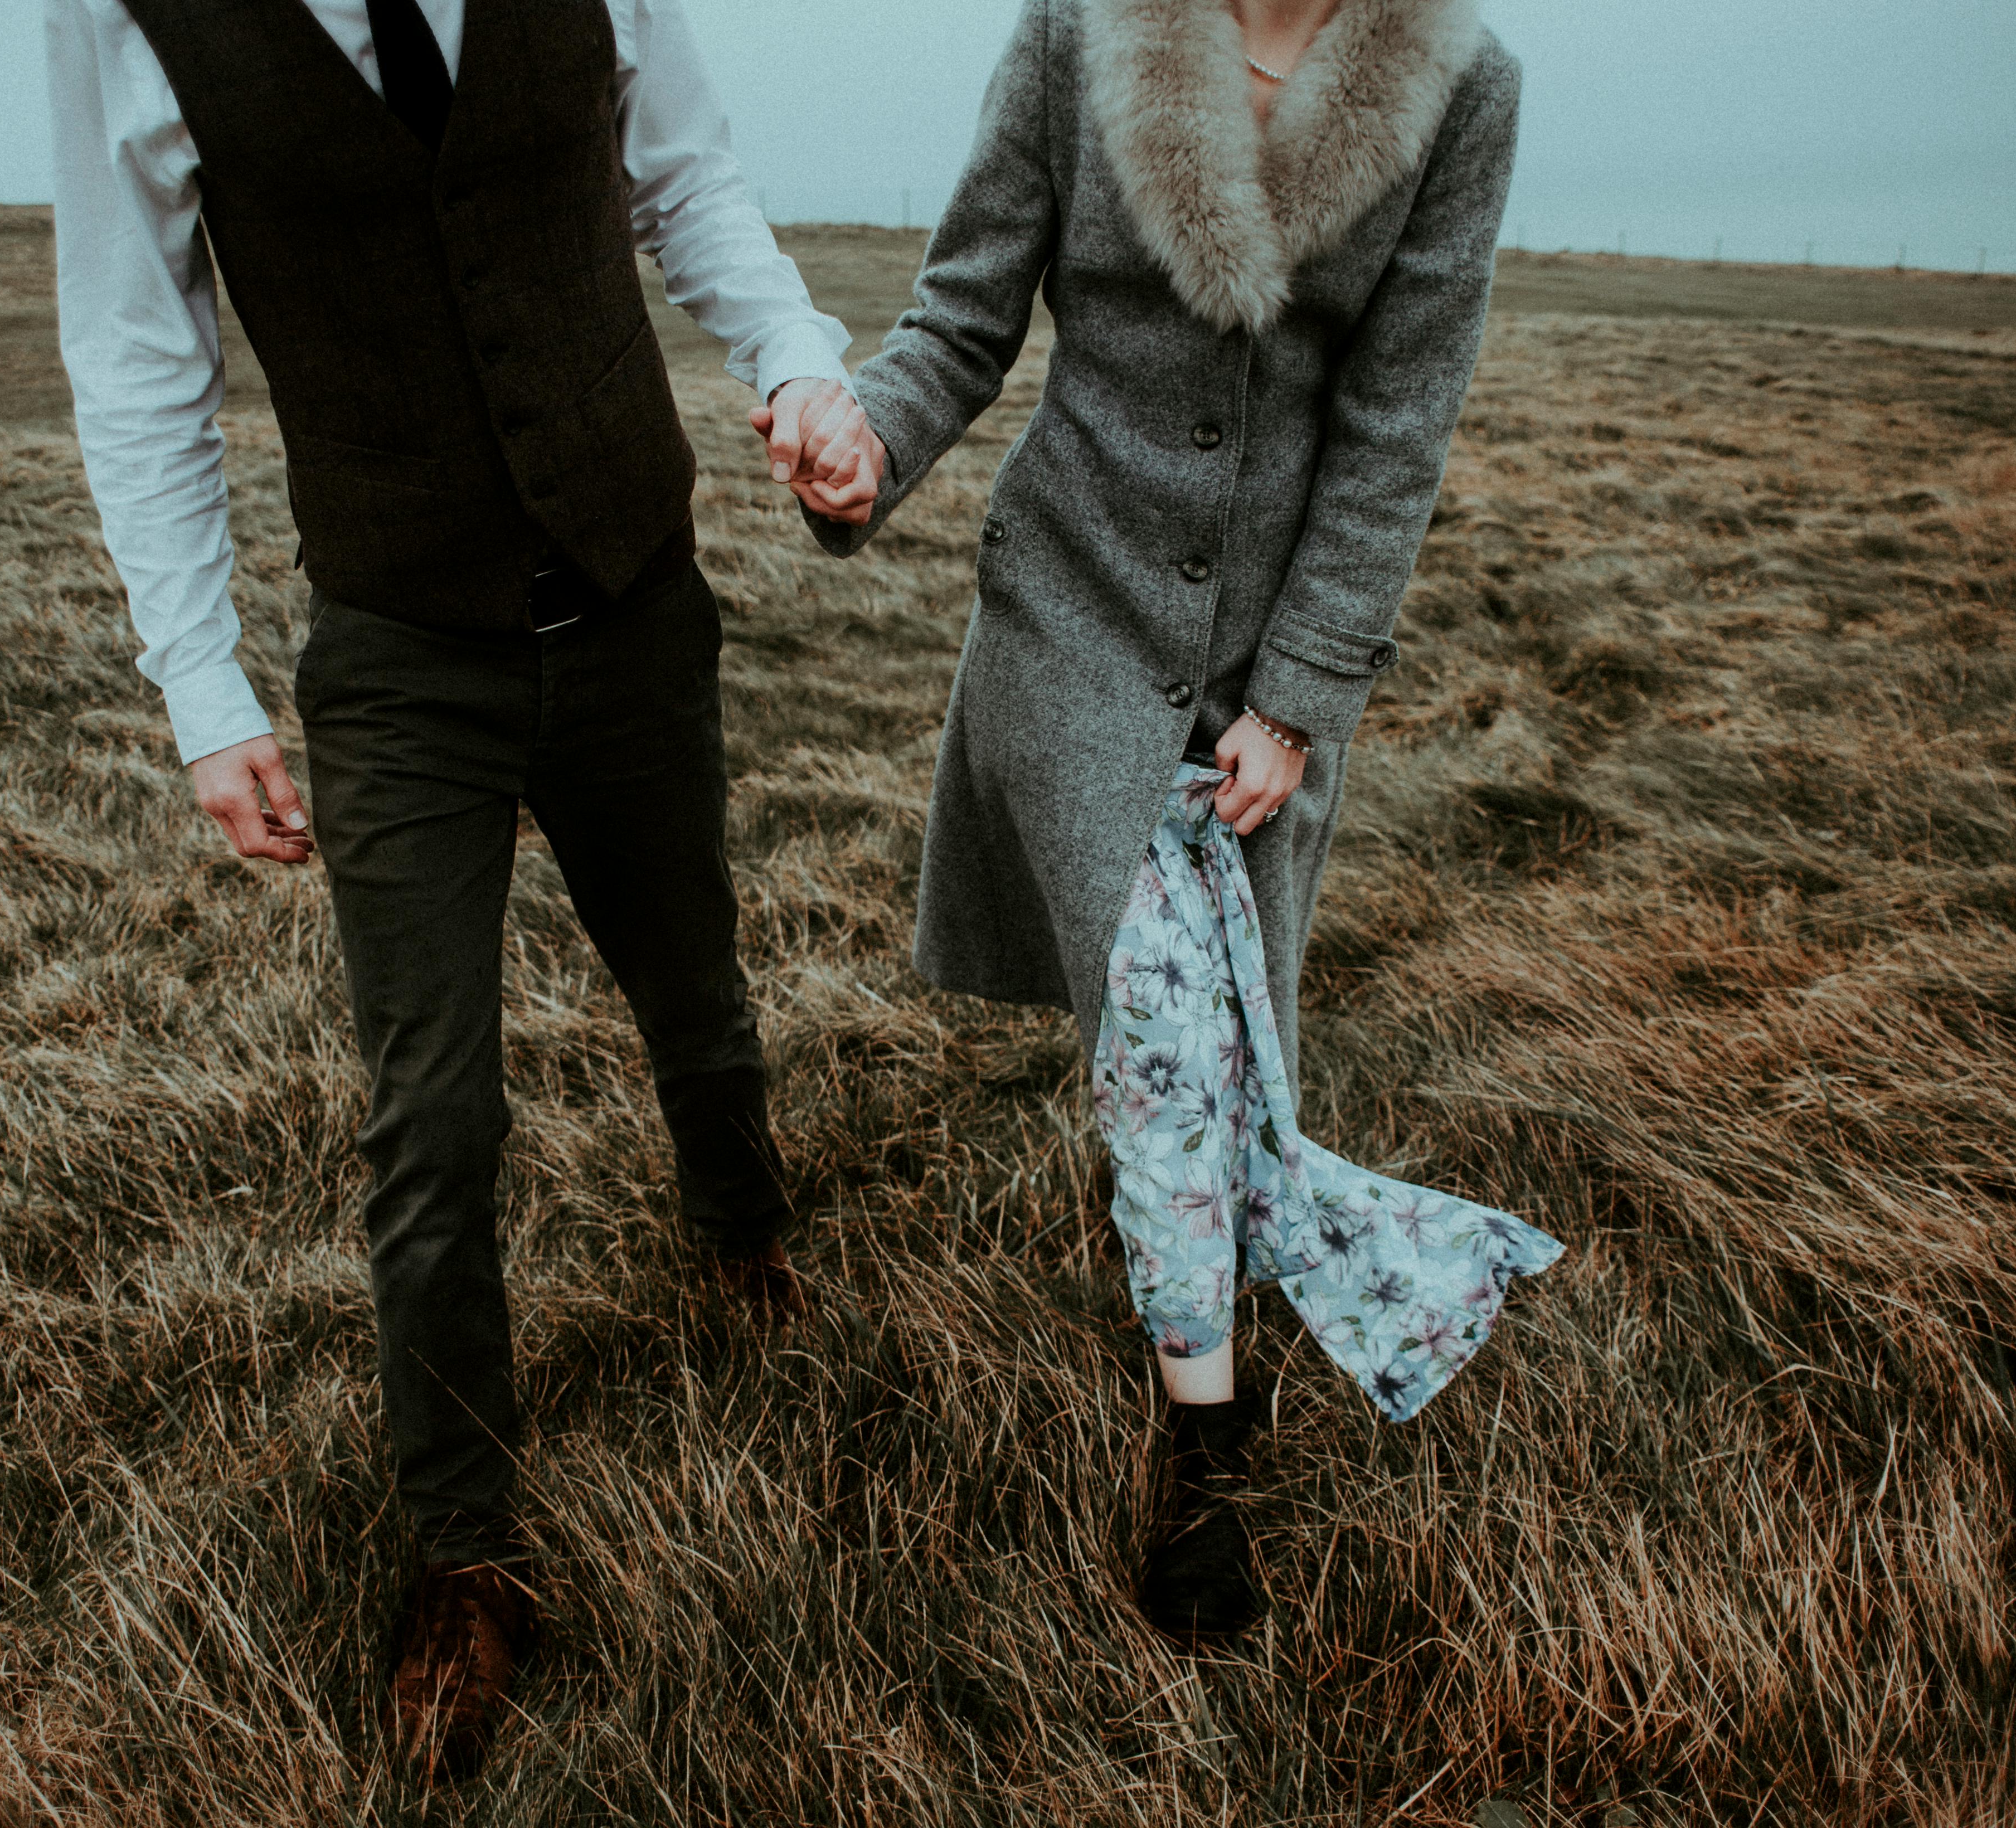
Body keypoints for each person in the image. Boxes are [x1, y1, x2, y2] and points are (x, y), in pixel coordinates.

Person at [47, 0, 881, 1776]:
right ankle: (465, 1555)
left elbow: (688, 179)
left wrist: (797, 359)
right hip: (402, 658)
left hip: (636, 591)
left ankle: (745, 1245)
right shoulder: (121, 13)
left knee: (697, 988)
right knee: (433, 1118)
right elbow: (139, 355)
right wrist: (205, 697)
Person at [793, 0, 1561, 1640]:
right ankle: (1204, 1447)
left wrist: (1301, 696)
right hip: (1074, 612)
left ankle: (1210, 1261)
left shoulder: (1462, 85)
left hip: (1266, 659)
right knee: (1157, 1034)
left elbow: (1397, 420)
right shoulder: (1084, 30)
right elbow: (963, 314)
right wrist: (867, 447)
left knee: (1218, 1051)